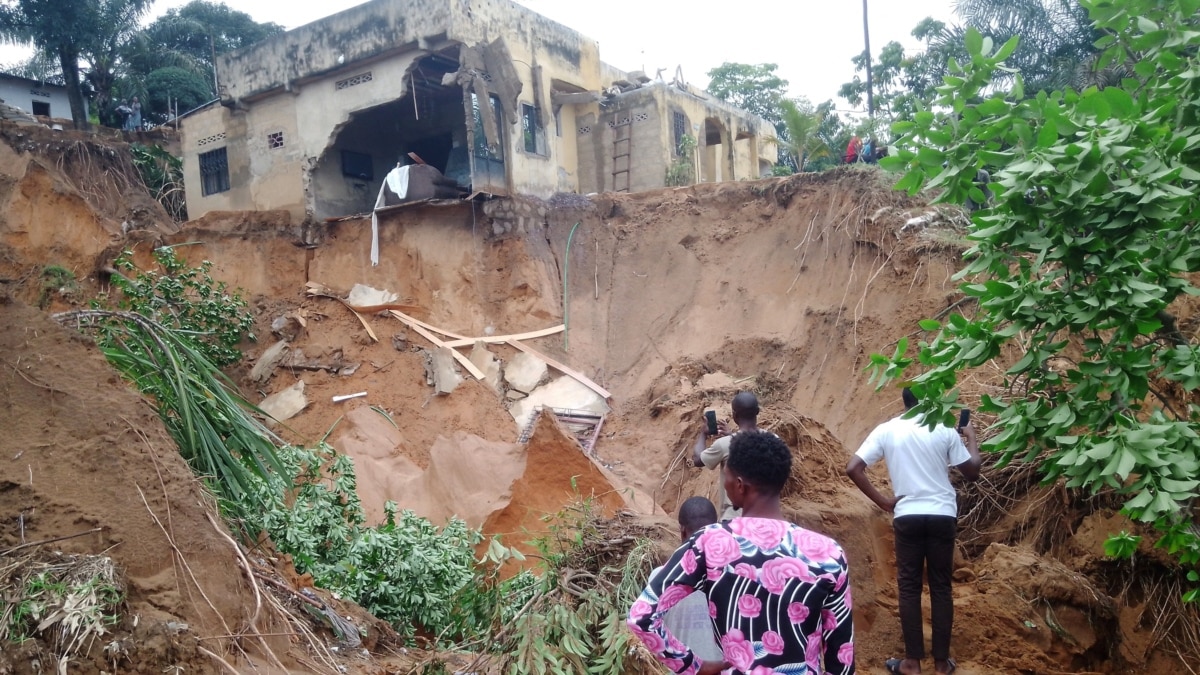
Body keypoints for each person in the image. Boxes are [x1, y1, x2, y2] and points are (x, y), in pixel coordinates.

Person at [630, 431, 855, 675]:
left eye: (726, 476)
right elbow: (841, 655)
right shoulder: (829, 554)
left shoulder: (709, 544)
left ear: (739, 485)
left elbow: (642, 617)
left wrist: (693, 665)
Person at [844, 388, 981, 675]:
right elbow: (971, 472)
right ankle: (942, 663)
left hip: (908, 515)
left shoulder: (887, 430)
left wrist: (883, 501)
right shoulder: (943, 427)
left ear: (904, 401)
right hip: (942, 514)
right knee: (941, 586)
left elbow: (854, 468)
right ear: (930, 399)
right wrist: (970, 437)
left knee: (909, 587)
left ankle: (912, 663)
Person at [653, 497, 723, 664]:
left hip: (683, 670)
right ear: (717, 527)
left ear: (682, 531)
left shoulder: (659, 578)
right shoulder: (730, 576)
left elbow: (646, 627)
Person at [692, 391, 762, 521]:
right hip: (764, 516)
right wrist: (732, 435)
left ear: (734, 415)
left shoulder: (725, 445)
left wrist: (703, 434)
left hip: (734, 517)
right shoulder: (773, 440)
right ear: (757, 411)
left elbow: (697, 459)